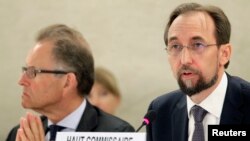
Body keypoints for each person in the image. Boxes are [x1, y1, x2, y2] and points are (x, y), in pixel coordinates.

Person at [6, 24, 135, 141]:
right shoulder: (19, 134)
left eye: (32, 72)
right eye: (25, 70)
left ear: (67, 82)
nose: (21, 81)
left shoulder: (117, 135)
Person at [146, 2, 250, 141]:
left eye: (197, 45)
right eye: (175, 46)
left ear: (224, 53)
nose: (184, 60)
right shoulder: (159, 111)